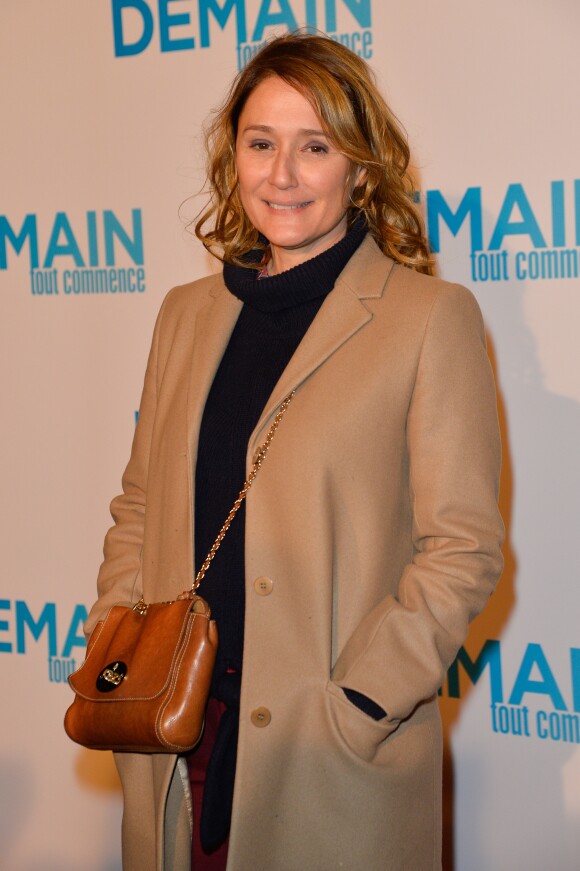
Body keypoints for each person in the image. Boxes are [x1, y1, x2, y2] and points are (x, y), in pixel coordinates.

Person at [85, 31, 504, 871]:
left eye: (315, 147)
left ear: (359, 166)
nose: (282, 173)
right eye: (261, 142)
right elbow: (140, 500)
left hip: (328, 757)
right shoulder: (185, 313)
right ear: (232, 155)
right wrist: (114, 630)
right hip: (176, 737)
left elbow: (464, 547)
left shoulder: (428, 318)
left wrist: (360, 698)